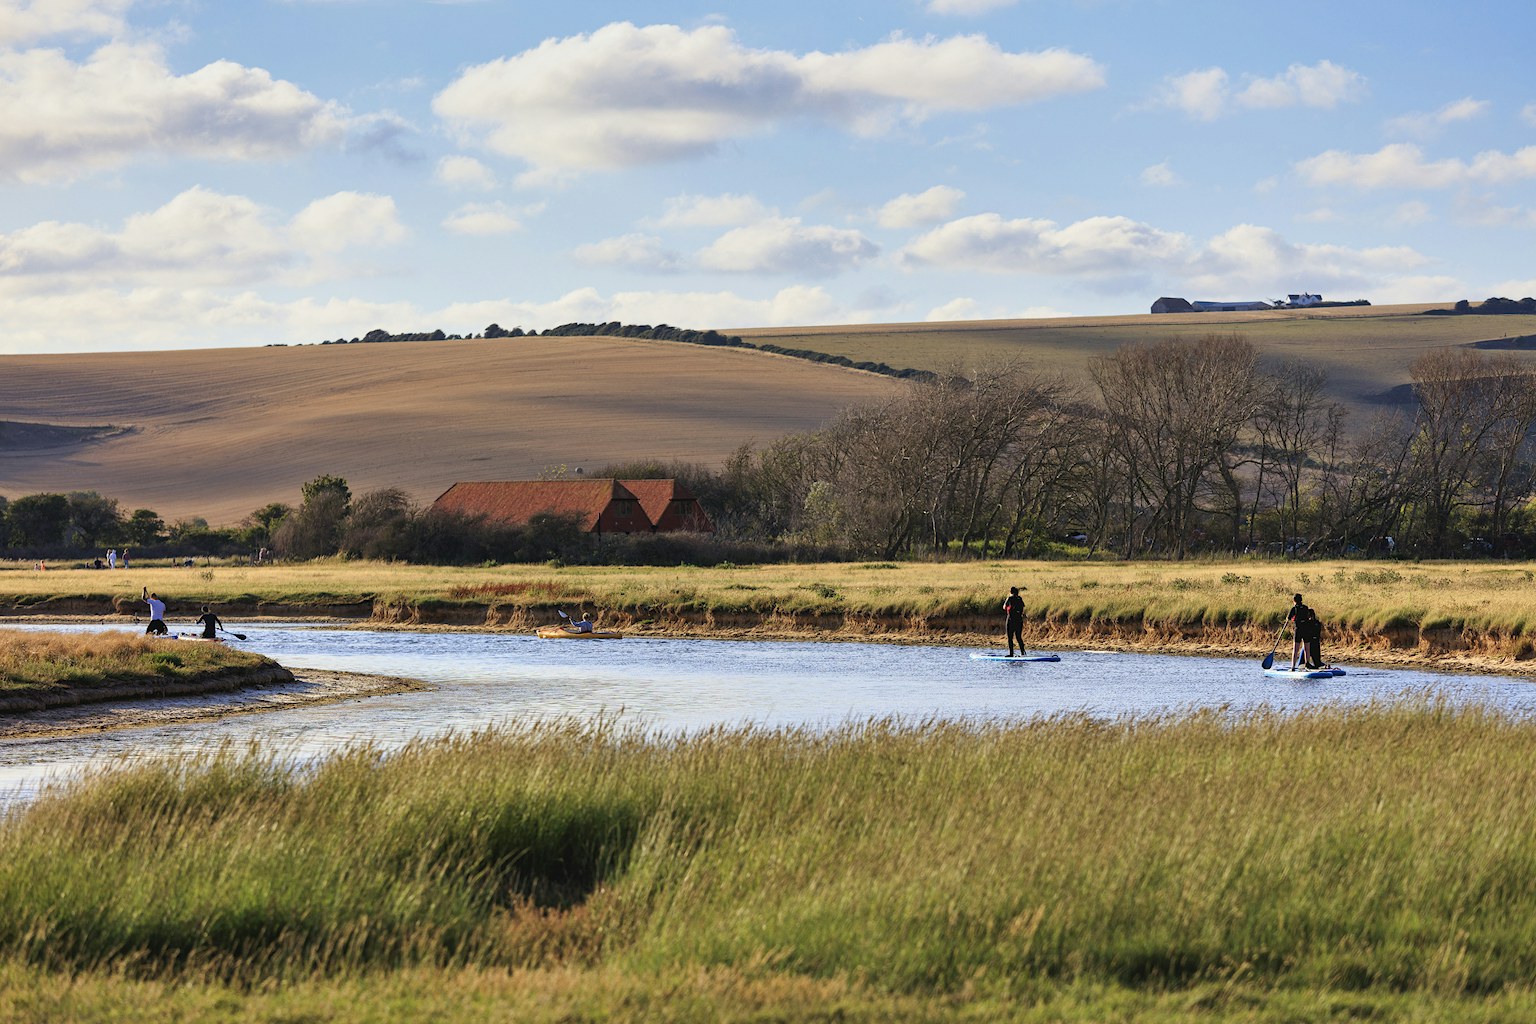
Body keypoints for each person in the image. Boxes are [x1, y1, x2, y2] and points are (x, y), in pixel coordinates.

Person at [1285, 593, 1325, 670]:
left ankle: (1293, 666)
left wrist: (1290, 618)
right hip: (1306, 630)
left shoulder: (1294, 609)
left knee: (1296, 649)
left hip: (1299, 630)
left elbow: (1288, 618)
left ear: (1294, 600)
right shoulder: (1305, 607)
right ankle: (1307, 664)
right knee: (1307, 648)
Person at [1002, 585, 1026, 657]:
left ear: (1011, 592)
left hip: (1011, 619)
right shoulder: (1020, 598)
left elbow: (1004, 607)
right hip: (1019, 620)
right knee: (1018, 637)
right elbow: (1023, 607)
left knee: (1010, 637)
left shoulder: (1010, 598)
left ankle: (1011, 654)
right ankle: (1023, 653)